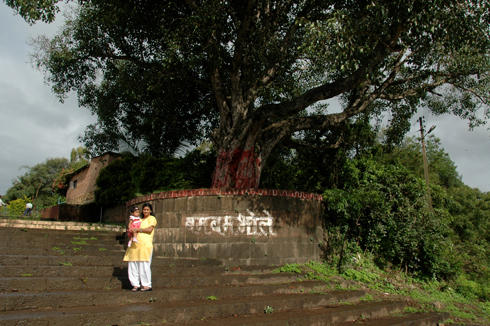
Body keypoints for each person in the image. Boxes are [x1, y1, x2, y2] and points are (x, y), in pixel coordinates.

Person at [123, 203, 157, 292]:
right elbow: (131, 226)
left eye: (147, 210)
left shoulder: (152, 218)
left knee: (144, 265)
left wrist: (139, 229)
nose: (145, 211)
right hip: (135, 245)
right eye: (144, 209)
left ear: (150, 211)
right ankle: (135, 284)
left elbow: (150, 230)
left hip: (145, 245)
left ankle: (147, 285)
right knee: (133, 264)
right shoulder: (139, 219)